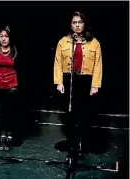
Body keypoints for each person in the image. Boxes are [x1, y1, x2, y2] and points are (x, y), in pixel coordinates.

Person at [53, 11, 102, 155]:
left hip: (85, 80)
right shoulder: (63, 42)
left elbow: (98, 65)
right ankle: (72, 142)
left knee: (84, 114)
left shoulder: (94, 42)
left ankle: (82, 143)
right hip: (69, 80)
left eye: (80, 22)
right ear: (71, 25)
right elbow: (57, 63)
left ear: (84, 23)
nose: (77, 25)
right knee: (70, 114)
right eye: (74, 22)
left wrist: (95, 85)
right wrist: (59, 82)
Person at [0, 26, 23, 151]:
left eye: (6, 36)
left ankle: (10, 136)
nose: (3, 39)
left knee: (11, 112)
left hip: (12, 85)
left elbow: (20, 69)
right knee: (1, 112)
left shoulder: (15, 52)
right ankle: (2, 135)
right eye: (1, 36)